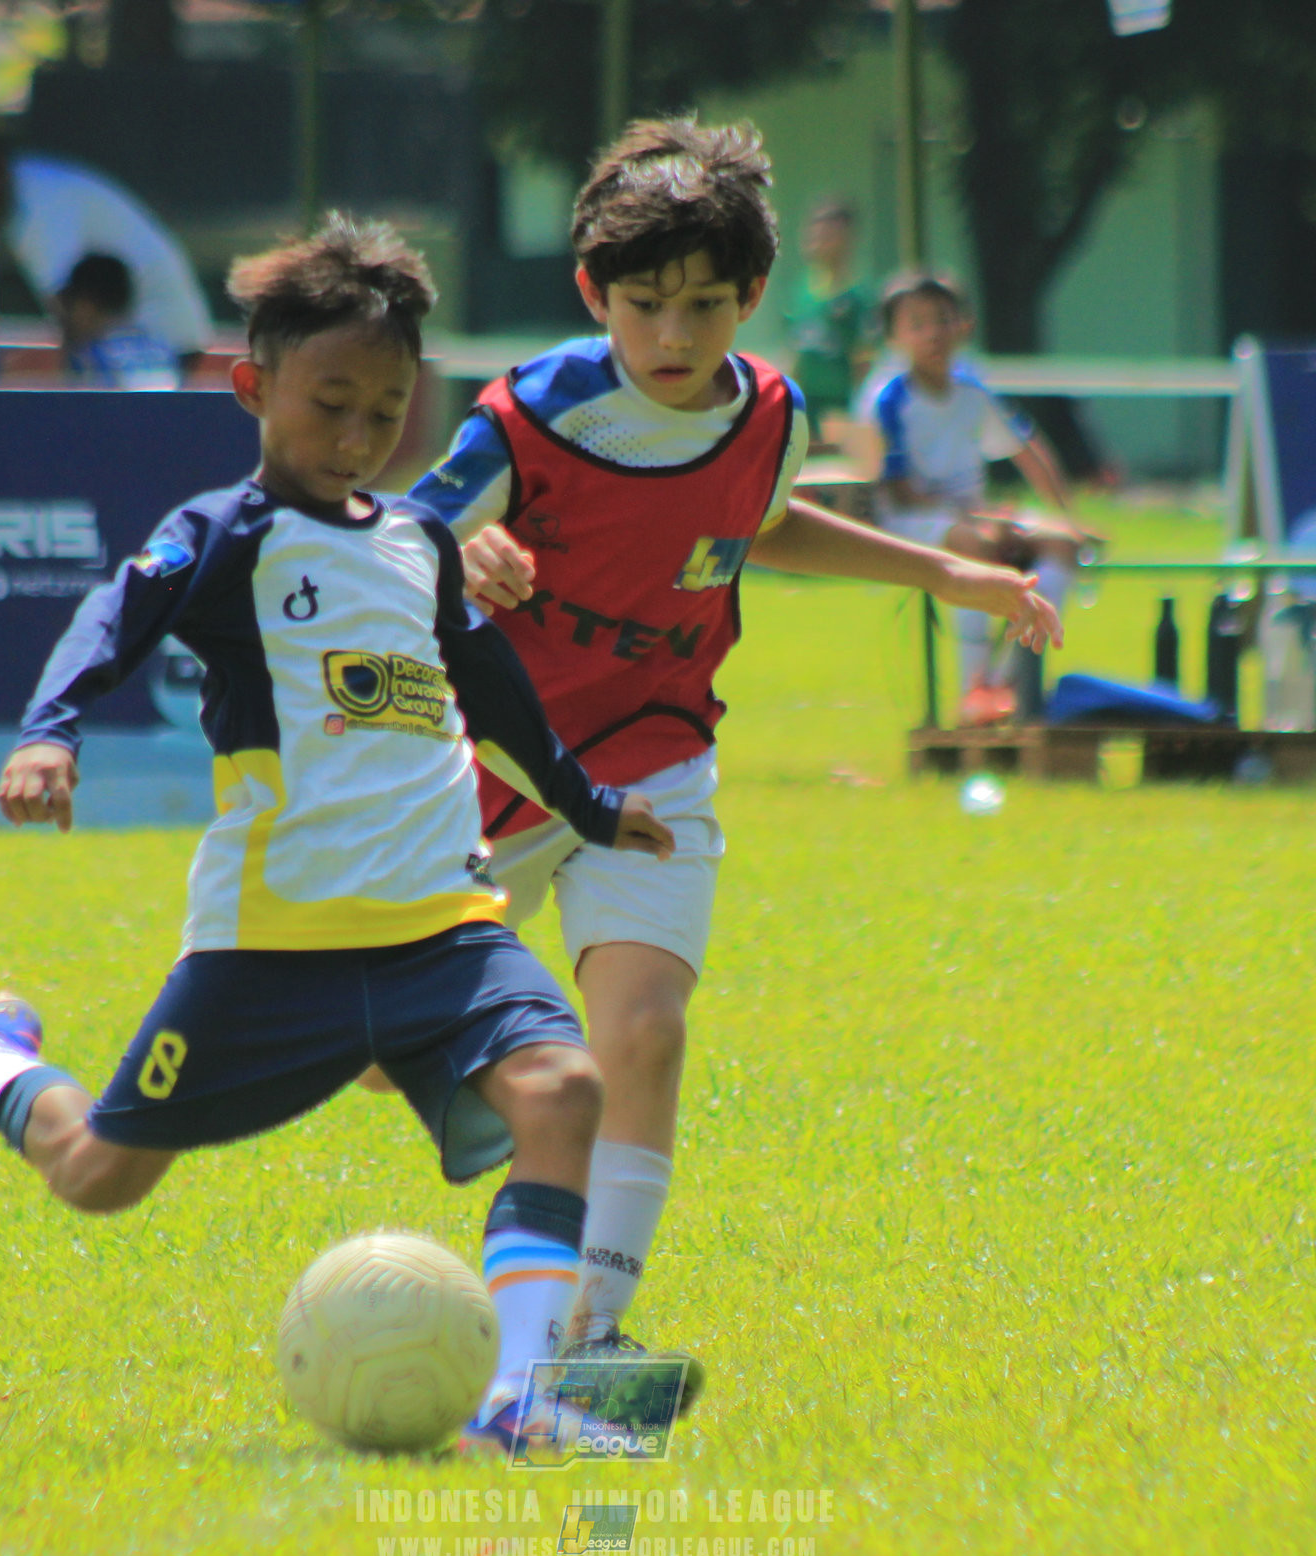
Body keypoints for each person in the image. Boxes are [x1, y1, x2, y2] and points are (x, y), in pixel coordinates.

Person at [0, 217, 679, 1452]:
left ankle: (518, 1398)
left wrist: (590, 807)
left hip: (444, 927)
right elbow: (116, 610)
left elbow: (492, 693)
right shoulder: (225, 531)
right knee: (100, 1176)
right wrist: (48, 729)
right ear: (253, 387)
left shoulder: (419, 543)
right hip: (272, 947)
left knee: (564, 1085)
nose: (357, 433)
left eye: (384, 410)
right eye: (329, 402)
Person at [403, 119, 1060, 1366]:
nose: (674, 334)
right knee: (393, 1062)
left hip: (652, 757)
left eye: (706, 304)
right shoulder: (529, 418)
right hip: (489, 766)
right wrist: (456, 549)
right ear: (595, 293)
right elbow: (391, 536)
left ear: (751, 297)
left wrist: (940, 573)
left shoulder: (768, 412)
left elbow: (759, 520)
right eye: (645, 303)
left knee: (644, 1030)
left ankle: (589, 1329)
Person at [865, 269, 1092, 724]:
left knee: (1061, 544)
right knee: (975, 544)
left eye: (943, 319)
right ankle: (975, 685)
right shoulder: (885, 399)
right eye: (917, 323)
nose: (933, 334)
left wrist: (1067, 517)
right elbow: (897, 490)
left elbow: (1029, 450)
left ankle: (1008, 678)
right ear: (895, 336)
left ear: (963, 325)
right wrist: (979, 519)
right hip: (911, 521)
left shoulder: (973, 392)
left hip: (970, 515)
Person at [0, 129, 216, 376]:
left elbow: (77, 316)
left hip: (162, 340)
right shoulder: (24, 191)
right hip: (160, 341)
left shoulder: (40, 202)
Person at [781, 197, 873, 444]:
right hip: (805, 406)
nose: (818, 240)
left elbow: (864, 361)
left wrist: (856, 415)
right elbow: (793, 352)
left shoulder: (859, 298)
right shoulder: (800, 291)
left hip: (841, 407)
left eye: (828, 233)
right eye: (814, 231)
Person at [52, 252, 179, 389]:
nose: (64, 320)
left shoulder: (89, 357)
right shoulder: (163, 350)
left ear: (85, 306)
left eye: (68, 305)